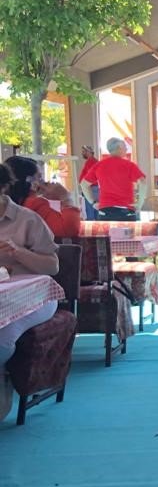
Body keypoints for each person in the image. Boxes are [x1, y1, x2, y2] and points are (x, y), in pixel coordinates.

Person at [0, 162, 59, 420]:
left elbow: (53, 266)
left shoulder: (27, 219)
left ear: (4, 189)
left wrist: (17, 252)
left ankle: (4, 381)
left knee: (2, 337)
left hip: (34, 297)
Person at [6, 156, 81, 239]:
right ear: (30, 181)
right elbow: (68, 230)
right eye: (40, 178)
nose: (44, 181)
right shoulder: (34, 204)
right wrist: (65, 198)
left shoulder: (7, 202)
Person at [80, 137, 146, 221]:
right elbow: (143, 182)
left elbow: (84, 184)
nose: (126, 149)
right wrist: (139, 204)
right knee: (127, 234)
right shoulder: (129, 165)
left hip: (105, 211)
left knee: (107, 234)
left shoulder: (99, 165)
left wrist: (93, 203)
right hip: (126, 211)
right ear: (119, 148)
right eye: (125, 147)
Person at [79, 145, 100, 220]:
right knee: (95, 210)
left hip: (91, 189)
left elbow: (90, 177)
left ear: (89, 152)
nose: (82, 153)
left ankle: (92, 229)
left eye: (84, 152)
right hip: (92, 188)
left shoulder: (91, 162)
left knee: (91, 212)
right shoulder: (92, 161)